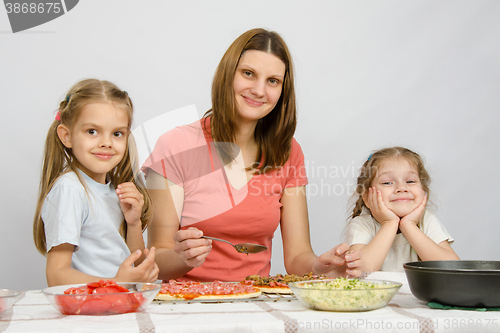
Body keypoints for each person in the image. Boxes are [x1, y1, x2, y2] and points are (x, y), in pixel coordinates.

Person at [142, 28, 363, 282]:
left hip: (257, 302)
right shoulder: (175, 145)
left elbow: (297, 256)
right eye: (248, 74)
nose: (259, 90)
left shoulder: (288, 152)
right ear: (228, 74)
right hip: (188, 305)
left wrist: (319, 267)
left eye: (272, 81)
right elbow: (157, 259)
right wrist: (182, 258)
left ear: (282, 91)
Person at [33, 79, 159, 286]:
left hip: (116, 306)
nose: (106, 143)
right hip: (89, 311)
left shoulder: (114, 190)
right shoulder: (70, 189)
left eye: (117, 133)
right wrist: (116, 283)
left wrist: (134, 222)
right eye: (92, 131)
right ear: (67, 136)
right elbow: (56, 276)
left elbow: (134, 264)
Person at [345, 147, 459, 272]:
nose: (401, 188)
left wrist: (409, 225)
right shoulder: (363, 224)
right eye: (387, 183)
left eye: (410, 181)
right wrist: (389, 223)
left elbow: (452, 269)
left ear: (423, 190)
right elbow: (359, 271)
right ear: (367, 197)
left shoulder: (426, 220)